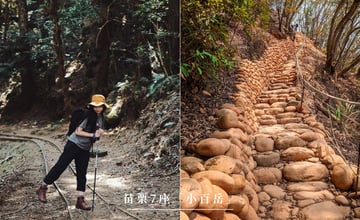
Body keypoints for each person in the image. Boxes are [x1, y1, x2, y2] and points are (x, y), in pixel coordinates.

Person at [36, 94, 109, 210]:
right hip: (73, 145)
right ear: (92, 106)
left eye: (100, 106)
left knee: (82, 174)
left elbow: (97, 131)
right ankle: (43, 187)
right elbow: (78, 131)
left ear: (103, 107)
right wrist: (93, 134)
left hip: (84, 148)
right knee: (60, 166)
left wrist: (99, 133)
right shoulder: (87, 116)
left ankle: (80, 200)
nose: (98, 108)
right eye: (96, 106)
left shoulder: (101, 117)